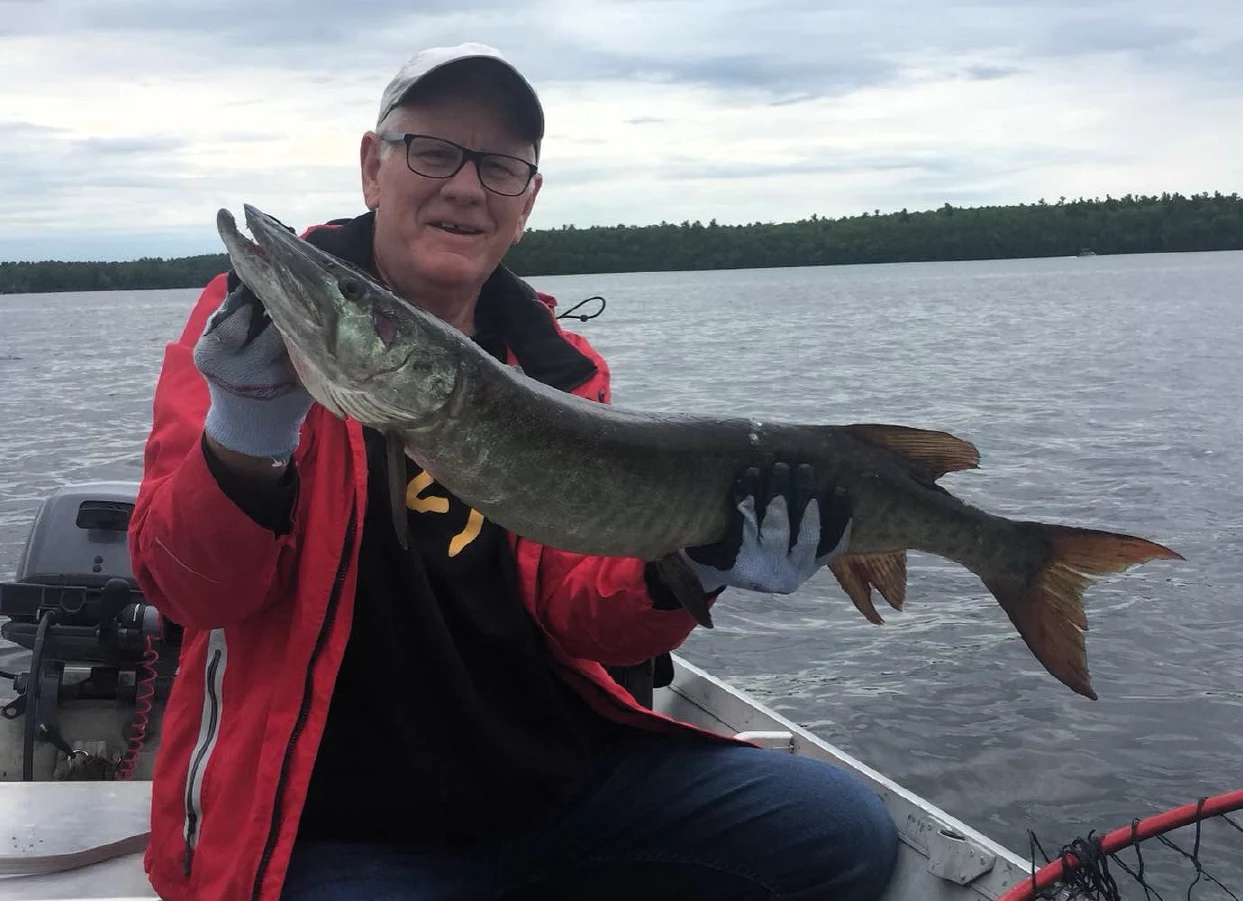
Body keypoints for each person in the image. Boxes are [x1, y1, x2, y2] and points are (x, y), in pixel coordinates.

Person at [128, 42, 900, 901]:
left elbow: (579, 615)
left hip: (551, 794)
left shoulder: (561, 373)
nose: (465, 186)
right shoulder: (247, 335)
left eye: (499, 166)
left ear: (526, 202)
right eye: (432, 151)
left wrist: (693, 564)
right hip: (336, 822)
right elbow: (185, 589)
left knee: (838, 828)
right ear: (371, 168)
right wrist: (244, 436)